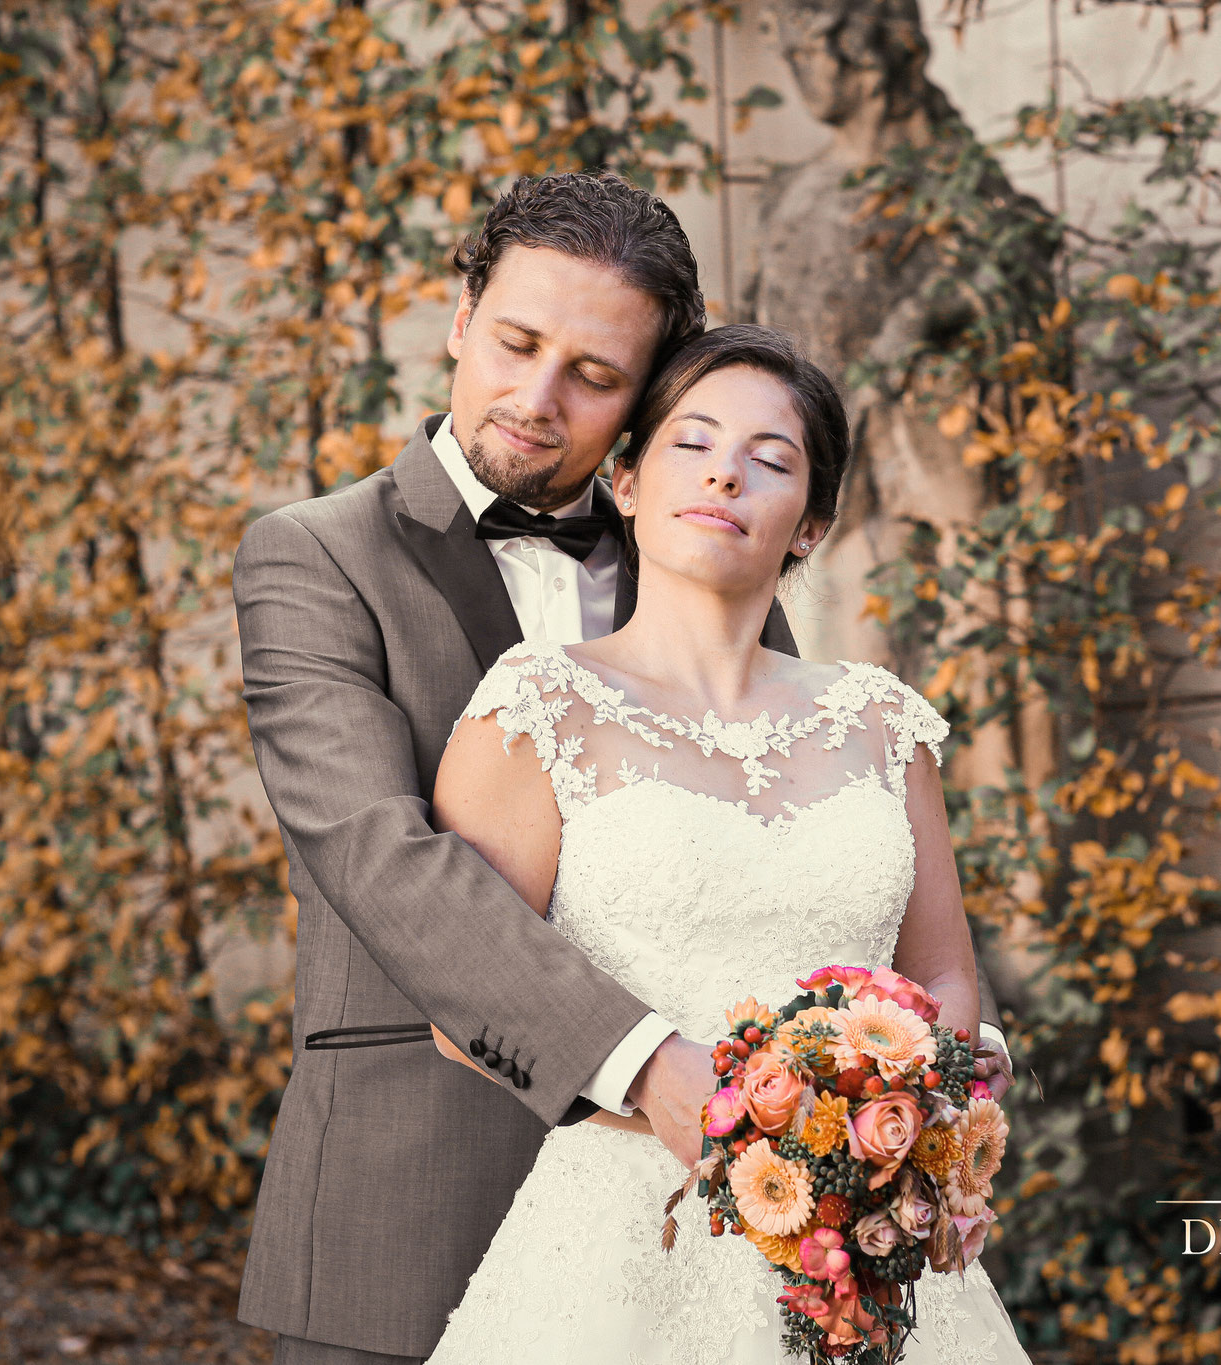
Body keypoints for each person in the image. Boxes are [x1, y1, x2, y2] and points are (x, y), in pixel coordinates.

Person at [233, 171, 1007, 1365]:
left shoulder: (708, 553)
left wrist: (888, 1112)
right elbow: (384, 862)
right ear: (459, 319)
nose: (536, 398)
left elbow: (798, 849)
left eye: (594, 376)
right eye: (513, 343)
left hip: (757, 1228)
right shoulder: (317, 557)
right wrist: (653, 1068)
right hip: (414, 1185)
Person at [422, 324, 1026, 1361]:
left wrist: (903, 1102)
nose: (726, 476)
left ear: (811, 525)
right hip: (623, 1236)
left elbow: (941, 978)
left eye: (771, 460)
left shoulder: (882, 724)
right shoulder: (533, 709)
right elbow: (460, 1003)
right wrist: (734, 1116)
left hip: (859, 1246)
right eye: (691, 444)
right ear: (623, 480)